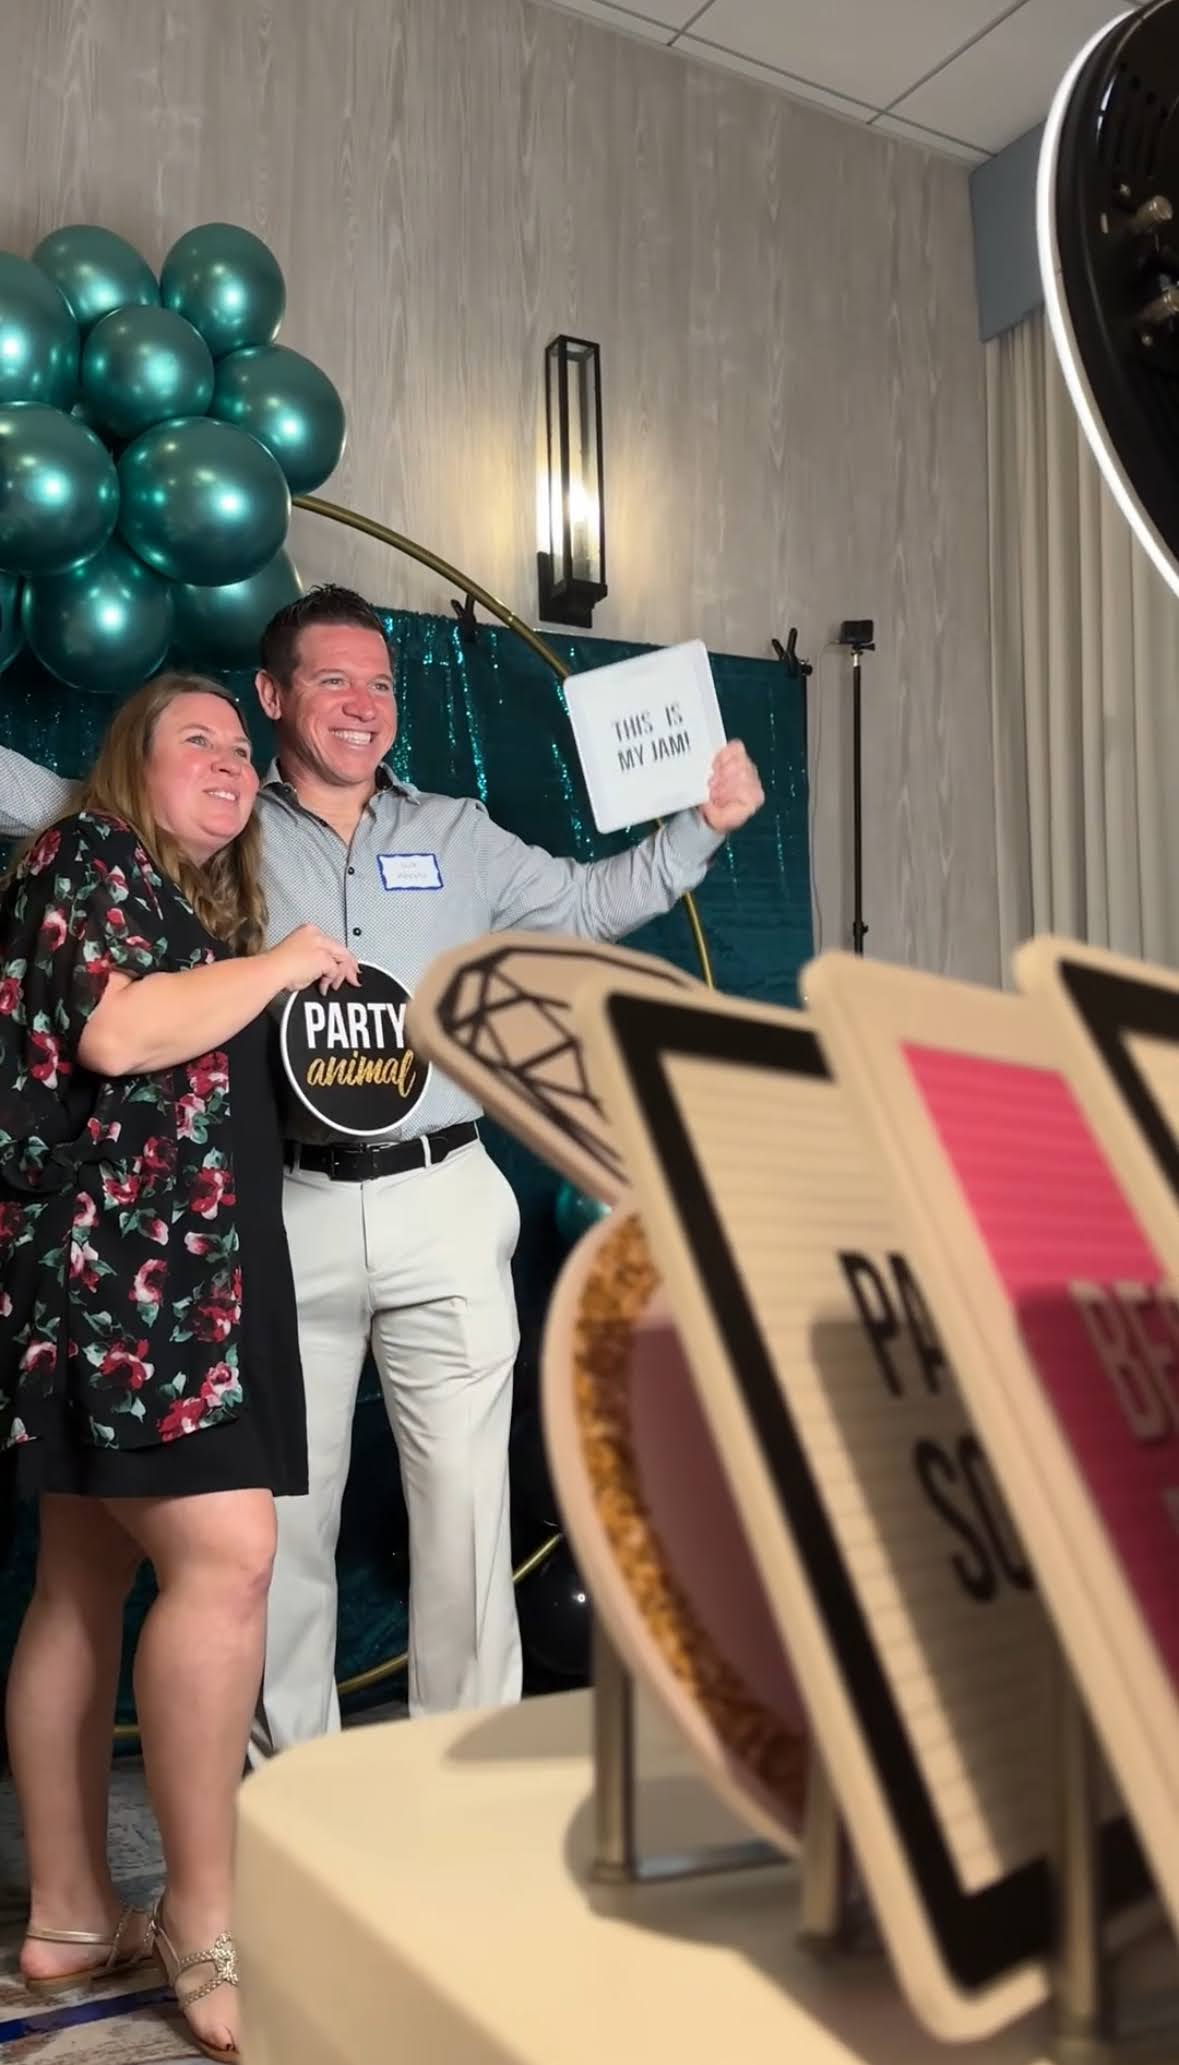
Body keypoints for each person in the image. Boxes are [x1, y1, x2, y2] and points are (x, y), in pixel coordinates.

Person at [0, 585, 766, 1758]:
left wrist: (706, 824)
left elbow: (589, 902)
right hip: (282, 1209)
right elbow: (59, 802)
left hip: (445, 1195)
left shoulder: (459, 832)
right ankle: (296, 1796)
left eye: (380, 684)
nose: (361, 705)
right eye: (331, 680)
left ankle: (461, 1782)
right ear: (273, 696)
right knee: (279, 1524)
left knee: (465, 1507)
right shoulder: (219, 819)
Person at [0, 674, 355, 2062]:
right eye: (193, 737)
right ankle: (200, 1925)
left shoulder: (181, 907)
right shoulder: (87, 859)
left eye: (237, 748)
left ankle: (72, 1916)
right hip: (134, 1292)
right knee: (229, 1558)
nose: (229, 760)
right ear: (125, 769)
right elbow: (115, 1033)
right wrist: (282, 965)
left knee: (83, 1578)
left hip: (138, 1282)